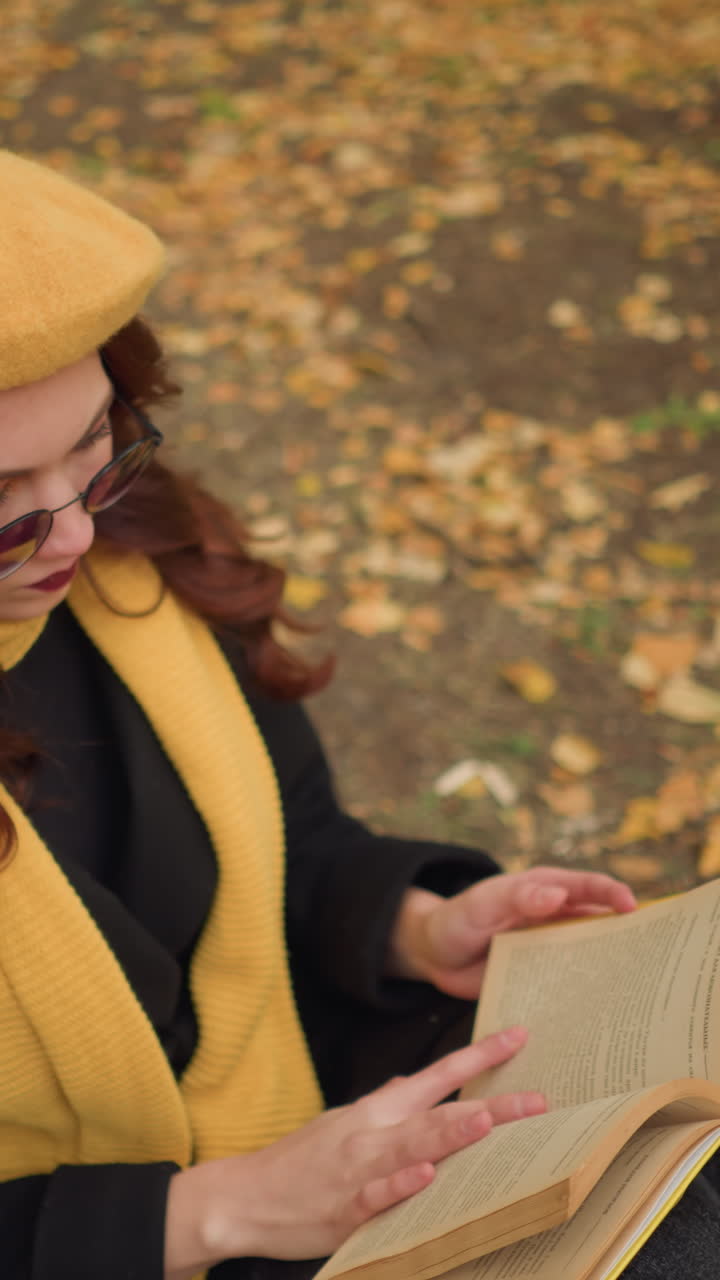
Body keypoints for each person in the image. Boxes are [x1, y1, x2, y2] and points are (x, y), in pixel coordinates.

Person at [0, 147, 642, 1280]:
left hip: (315, 1121)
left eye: (95, 448)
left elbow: (286, 836)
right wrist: (205, 1213)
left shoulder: (134, 560)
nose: (75, 538)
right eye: (2, 508)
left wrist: (413, 925)